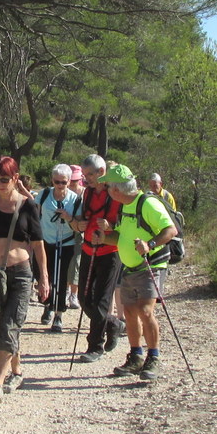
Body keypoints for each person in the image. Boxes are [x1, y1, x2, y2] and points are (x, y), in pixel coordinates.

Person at [0, 156, 50, 405]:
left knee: (9, 325)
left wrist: (44, 279)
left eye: (4, 179)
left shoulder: (28, 206)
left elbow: (38, 246)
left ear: (15, 178)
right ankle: (17, 372)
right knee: (0, 325)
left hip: (21, 274)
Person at [100, 163, 177, 381]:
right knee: (131, 311)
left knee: (145, 310)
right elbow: (122, 237)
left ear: (116, 190)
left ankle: (153, 358)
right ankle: (136, 356)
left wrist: (150, 244)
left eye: (108, 188)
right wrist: (104, 237)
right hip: (131, 267)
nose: (106, 191)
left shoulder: (148, 204)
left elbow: (171, 230)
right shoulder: (125, 206)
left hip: (151, 265)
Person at [70, 154, 122, 363]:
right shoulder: (88, 193)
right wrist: (78, 224)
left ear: (102, 172)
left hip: (110, 252)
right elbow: (82, 218)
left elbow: (122, 226)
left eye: (90, 174)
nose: (86, 179)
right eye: (84, 175)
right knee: (83, 298)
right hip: (88, 248)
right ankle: (113, 324)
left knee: (101, 301)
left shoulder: (115, 195)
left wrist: (111, 228)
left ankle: (95, 346)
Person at [35, 164, 81, 332]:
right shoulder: (45, 194)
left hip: (66, 242)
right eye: (57, 181)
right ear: (52, 180)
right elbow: (35, 213)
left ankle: (58, 314)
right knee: (42, 275)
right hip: (45, 241)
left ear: (69, 181)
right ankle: (47, 303)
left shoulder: (75, 199)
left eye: (63, 182)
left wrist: (68, 218)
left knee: (61, 279)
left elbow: (78, 226)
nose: (60, 185)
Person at [65, 165, 85, 309]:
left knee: (76, 262)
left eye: (75, 180)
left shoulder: (85, 194)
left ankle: (74, 294)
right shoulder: (63, 193)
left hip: (80, 234)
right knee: (66, 261)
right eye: (71, 180)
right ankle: (66, 291)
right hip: (65, 232)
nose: (73, 183)